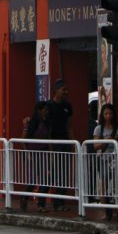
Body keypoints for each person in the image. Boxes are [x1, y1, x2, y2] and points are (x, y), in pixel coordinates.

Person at [47, 79, 73, 210]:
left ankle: (63, 201)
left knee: (65, 172)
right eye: (63, 90)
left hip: (65, 142)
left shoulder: (67, 106)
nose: (66, 92)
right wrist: (50, 146)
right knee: (56, 172)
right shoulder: (49, 106)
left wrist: (73, 143)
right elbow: (47, 128)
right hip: (54, 143)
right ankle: (56, 202)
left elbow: (69, 125)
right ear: (56, 91)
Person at [23, 101, 51, 211]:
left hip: (44, 152)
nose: (47, 112)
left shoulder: (46, 122)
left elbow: (48, 139)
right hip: (33, 154)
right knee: (33, 180)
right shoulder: (31, 122)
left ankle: (41, 204)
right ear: (39, 110)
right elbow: (23, 139)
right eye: (45, 109)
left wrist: (51, 153)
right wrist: (27, 153)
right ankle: (25, 198)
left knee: (46, 180)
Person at [92, 103, 118, 220]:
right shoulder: (98, 129)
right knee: (103, 185)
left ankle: (116, 210)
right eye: (106, 114)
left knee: (115, 186)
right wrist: (107, 140)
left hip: (116, 160)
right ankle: (105, 210)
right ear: (102, 115)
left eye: (110, 113)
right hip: (103, 159)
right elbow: (95, 146)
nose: (108, 116)